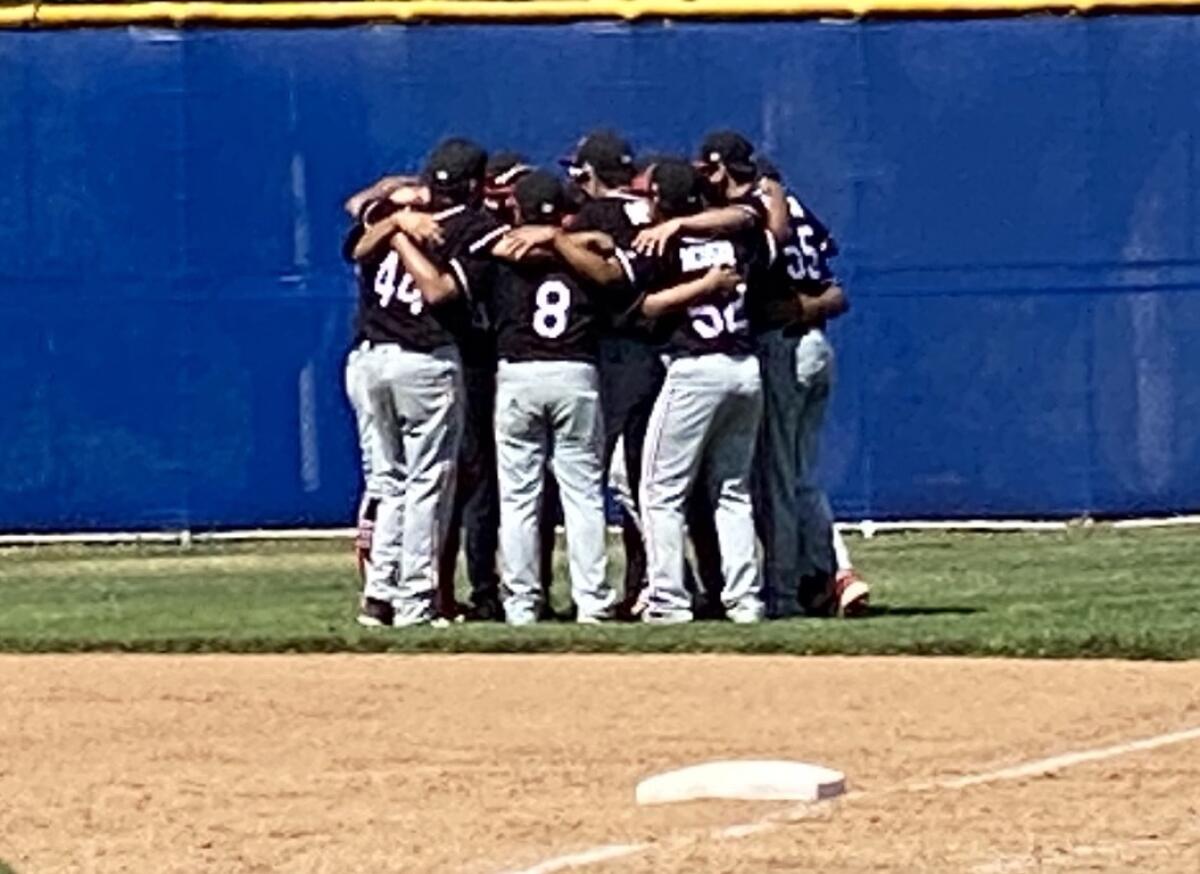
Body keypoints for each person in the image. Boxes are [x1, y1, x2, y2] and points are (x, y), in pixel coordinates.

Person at [559, 159, 773, 624]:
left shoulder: (663, 242)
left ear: (660, 199)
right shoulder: (735, 236)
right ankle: (745, 601)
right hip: (744, 367)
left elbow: (631, 294)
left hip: (694, 369)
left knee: (658, 492)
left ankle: (668, 600)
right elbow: (754, 214)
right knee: (732, 491)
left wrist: (564, 240)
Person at [405, 170, 619, 625]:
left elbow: (474, 260)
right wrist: (565, 238)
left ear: (517, 209)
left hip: (518, 373)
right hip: (574, 371)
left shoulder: (500, 250)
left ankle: (522, 604)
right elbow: (608, 267)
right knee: (583, 497)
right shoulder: (583, 250)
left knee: (519, 498)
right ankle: (593, 602)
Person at [352, 137, 505, 627]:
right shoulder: (477, 225)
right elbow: (438, 290)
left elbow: (360, 231)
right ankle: (414, 599)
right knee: (425, 485)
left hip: (373, 359)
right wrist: (400, 224)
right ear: (477, 185)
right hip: (422, 360)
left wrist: (394, 224)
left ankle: (379, 597)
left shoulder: (394, 214)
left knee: (390, 482)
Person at [750, 157, 871, 617]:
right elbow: (834, 291)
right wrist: (810, 306)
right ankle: (830, 575)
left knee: (781, 480)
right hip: (816, 344)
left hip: (784, 349)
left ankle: (797, 586)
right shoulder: (798, 210)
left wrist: (797, 308)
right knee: (802, 475)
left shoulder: (757, 215)